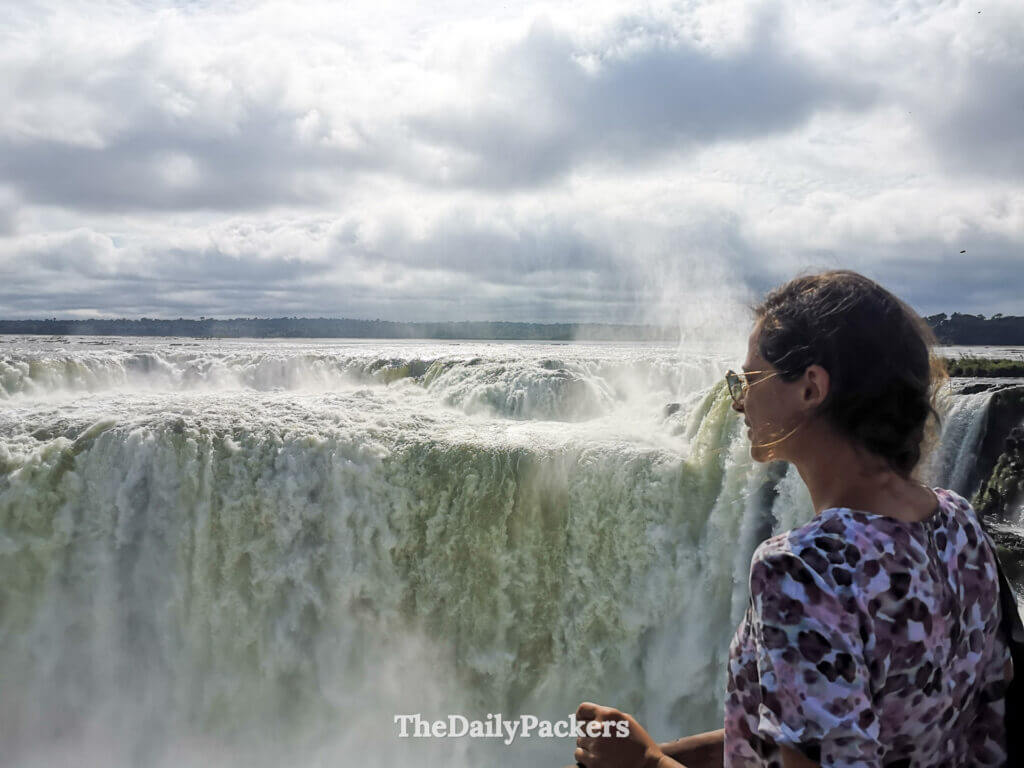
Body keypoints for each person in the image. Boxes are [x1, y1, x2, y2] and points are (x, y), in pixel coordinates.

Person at [572, 270, 1013, 768]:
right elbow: (849, 726)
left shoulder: (806, 568)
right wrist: (670, 750)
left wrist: (645, 763)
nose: (739, 400)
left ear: (811, 388)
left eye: (751, 378)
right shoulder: (958, 523)